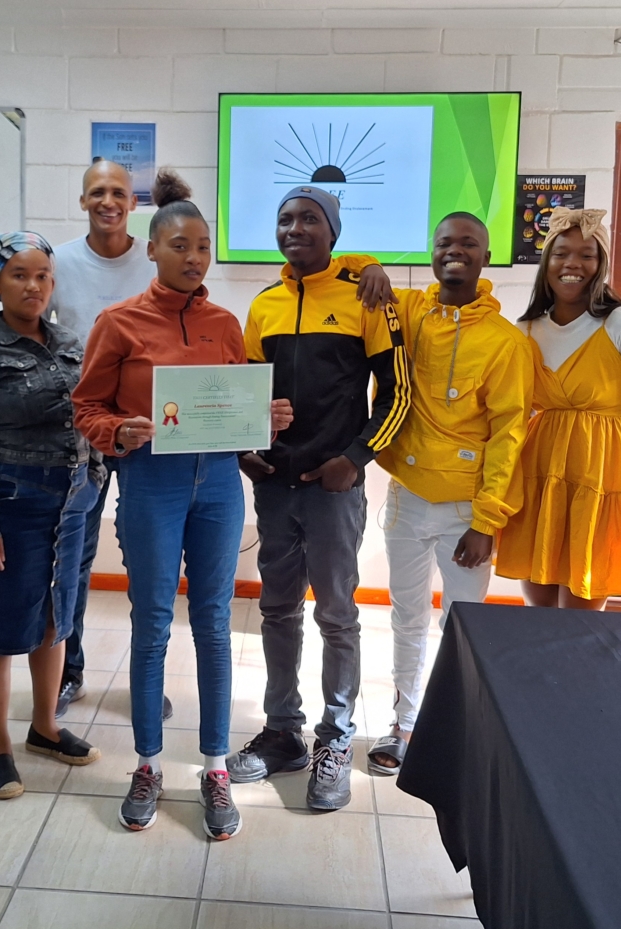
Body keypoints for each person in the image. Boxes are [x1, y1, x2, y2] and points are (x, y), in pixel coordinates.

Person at [72, 170, 294, 840]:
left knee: (215, 624)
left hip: (219, 485)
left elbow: (232, 409)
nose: (194, 257)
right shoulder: (119, 322)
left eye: (202, 246)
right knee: (152, 625)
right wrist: (120, 432)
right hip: (151, 483)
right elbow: (85, 407)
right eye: (179, 245)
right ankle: (147, 764)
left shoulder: (225, 325)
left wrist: (264, 419)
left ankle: (215, 767)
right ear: (152, 249)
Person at [228, 185, 411, 812]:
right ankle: (284, 731)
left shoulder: (366, 298)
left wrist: (355, 459)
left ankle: (335, 738)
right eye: (285, 219)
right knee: (277, 610)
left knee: (336, 614)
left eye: (310, 218)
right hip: (276, 486)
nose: (295, 228)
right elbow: (246, 393)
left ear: (333, 232)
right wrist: (244, 449)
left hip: (334, 488)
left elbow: (397, 394)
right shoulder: (265, 305)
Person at [367, 212, 534, 775]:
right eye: (444, 243)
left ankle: (455, 727)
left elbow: (509, 435)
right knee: (406, 616)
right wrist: (370, 265)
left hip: (467, 510)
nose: (454, 251)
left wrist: (487, 521)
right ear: (431, 252)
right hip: (408, 497)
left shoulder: (506, 342)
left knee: (463, 623)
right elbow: (348, 269)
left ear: (486, 257)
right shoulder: (409, 311)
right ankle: (405, 723)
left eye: (468, 243)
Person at [0, 232, 102, 799]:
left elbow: (92, 412)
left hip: (73, 503)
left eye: (42, 276)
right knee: (4, 626)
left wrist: (96, 472)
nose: (33, 286)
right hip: (13, 502)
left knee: (57, 617)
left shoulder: (71, 343)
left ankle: (45, 728)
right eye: (19, 275)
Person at [496, 207, 621, 610]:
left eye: (586, 255)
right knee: (540, 606)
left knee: (582, 611)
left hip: (601, 480)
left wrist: (618, 460)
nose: (572, 264)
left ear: (602, 265)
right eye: (561, 253)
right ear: (547, 262)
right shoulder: (526, 330)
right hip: (541, 476)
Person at [46, 160, 155, 718]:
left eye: (117, 192)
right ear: (82, 200)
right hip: (79, 433)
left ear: (134, 202)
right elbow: (36, 334)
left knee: (149, 561)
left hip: (144, 434)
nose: (107, 201)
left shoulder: (154, 259)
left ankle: (146, 678)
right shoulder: (59, 263)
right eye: (96, 192)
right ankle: (69, 671)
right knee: (73, 557)